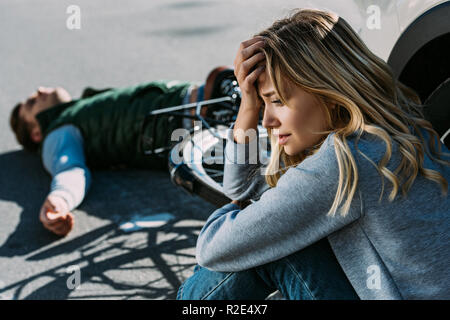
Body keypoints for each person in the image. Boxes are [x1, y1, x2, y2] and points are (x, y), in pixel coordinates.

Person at [178, 9, 450, 300]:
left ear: (328, 94)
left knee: (267, 248)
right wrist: (248, 108)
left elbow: (213, 249)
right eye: (262, 103)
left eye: (277, 101)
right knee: (269, 236)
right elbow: (243, 187)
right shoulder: (397, 123)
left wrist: (242, 214)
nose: (266, 120)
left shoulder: (345, 161)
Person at [9, 66, 238, 237]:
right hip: (195, 121)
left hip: (199, 110)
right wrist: (60, 200)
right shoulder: (57, 132)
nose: (38, 90)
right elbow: (69, 168)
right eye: (31, 104)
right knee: (245, 74)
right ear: (36, 133)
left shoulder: (77, 110)